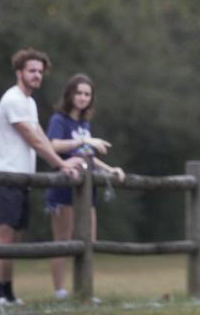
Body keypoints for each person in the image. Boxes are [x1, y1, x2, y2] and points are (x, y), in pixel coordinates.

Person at [0, 48, 81, 307]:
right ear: (19, 72)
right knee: (2, 235)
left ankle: (8, 292)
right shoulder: (13, 99)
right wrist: (62, 164)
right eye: (32, 71)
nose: (37, 75)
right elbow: (33, 140)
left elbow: (40, 135)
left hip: (23, 177)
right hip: (6, 175)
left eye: (40, 71)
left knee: (13, 237)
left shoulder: (28, 102)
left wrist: (63, 160)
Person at [45, 73, 125, 300]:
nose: (82, 97)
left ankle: (85, 291)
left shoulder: (84, 123)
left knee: (89, 240)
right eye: (78, 93)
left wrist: (110, 170)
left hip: (86, 191)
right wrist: (84, 141)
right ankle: (59, 290)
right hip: (63, 188)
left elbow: (87, 156)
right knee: (63, 241)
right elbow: (53, 145)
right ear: (70, 94)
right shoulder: (59, 120)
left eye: (87, 94)